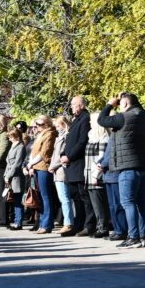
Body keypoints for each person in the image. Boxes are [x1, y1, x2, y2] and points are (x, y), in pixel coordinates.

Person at [98, 92, 145, 248]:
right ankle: (142, 237)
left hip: (128, 167)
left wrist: (110, 104)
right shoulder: (143, 115)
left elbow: (101, 120)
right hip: (143, 166)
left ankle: (133, 237)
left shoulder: (125, 116)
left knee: (127, 202)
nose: (119, 104)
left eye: (121, 102)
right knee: (140, 202)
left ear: (126, 103)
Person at [63, 96, 92, 235]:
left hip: (78, 163)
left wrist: (69, 156)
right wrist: (64, 154)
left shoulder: (86, 118)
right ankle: (78, 223)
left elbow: (82, 141)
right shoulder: (76, 120)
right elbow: (70, 140)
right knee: (75, 196)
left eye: (74, 104)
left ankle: (87, 225)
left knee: (83, 196)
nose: (72, 107)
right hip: (71, 166)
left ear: (81, 105)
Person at [27, 116, 56, 234]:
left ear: (47, 124)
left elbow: (44, 153)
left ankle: (47, 224)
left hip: (44, 168)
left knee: (46, 196)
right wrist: (30, 164)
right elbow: (33, 151)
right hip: (36, 167)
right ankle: (42, 222)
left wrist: (31, 163)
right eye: (36, 124)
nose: (37, 126)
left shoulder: (50, 134)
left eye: (39, 124)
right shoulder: (39, 135)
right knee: (39, 196)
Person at [83, 113, 110, 237]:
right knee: (95, 203)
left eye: (91, 121)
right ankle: (100, 226)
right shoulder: (92, 137)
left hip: (96, 175)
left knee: (100, 203)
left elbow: (101, 159)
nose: (89, 123)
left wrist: (95, 175)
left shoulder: (104, 139)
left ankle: (103, 228)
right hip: (89, 173)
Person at [49, 116, 75, 235]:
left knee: (65, 198)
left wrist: (52, 165)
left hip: (61, 171)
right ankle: (67, 221)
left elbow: (61, 155)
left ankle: (68, 222)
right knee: (62, 198)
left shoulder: (66, 137)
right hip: (56, 171)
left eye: (58, 126)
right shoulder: (59, 137)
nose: (57, 128)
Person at [3, 129, 27, 229]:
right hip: (10, 175)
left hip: (16, 176)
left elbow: (17, 163)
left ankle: (18, 222)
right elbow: (9, 162)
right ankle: (16, 220)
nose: (9, 138)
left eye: (10, 137)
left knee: (18, 199)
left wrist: (8, 175)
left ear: (15, 136)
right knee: (14, 199)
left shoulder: (20, 147)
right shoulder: (13, 146)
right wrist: (6, 175)